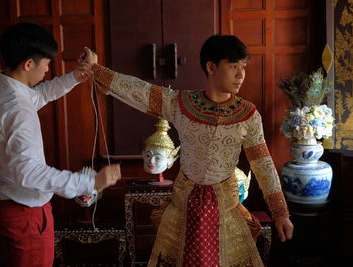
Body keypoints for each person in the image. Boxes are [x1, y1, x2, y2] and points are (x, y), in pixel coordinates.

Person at [83, 34, 293, 267]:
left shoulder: (248, 116)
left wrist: (280, 213)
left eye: (243, 67)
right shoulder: (181, 104)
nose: (241, 74)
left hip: (226, 206)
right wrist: (96, 69)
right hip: (185, 205)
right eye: (234, 67)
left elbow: (262, 164)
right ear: (211, 67)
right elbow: (139, 90)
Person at [0, 22, 121, 267]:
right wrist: (90, 182)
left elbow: (39, 95)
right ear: (28, 64)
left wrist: (75, 77)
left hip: (16, 205)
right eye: (46, 63)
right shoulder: (16, 108)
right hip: (26, 212)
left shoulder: (4, 89)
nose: (48, 69)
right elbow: (29, 172)